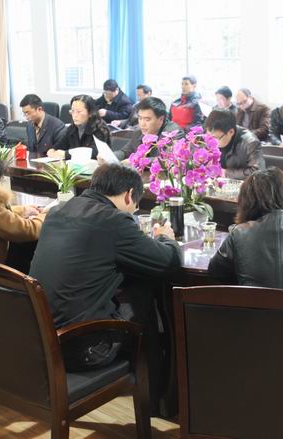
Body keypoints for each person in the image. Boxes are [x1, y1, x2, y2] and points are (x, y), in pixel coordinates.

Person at [29, 163, 181, 412]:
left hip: (41, 341)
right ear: (129, 195)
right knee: (143, 301)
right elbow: (168, 262)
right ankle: (156, 400)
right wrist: (166, 237)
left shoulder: (58, 211)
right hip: (82, 349)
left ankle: (155, 397)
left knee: (135, 291)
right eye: (135, 206)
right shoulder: (114, 220)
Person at [114, 97, 184, 161]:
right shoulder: (138, 132)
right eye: (140, 118)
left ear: (161, 119)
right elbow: (124, 152)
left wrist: (134, 161)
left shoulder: (173, 133)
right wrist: (110, 158)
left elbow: (166, 159)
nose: (142, 124)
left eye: (147, 120)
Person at [204, 109, 265, 180]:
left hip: (242, 184)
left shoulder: (250, 142)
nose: (211, 142)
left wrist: (225, 173)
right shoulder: (210, 138)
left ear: (231, 132)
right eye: (209, 138)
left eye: (215, 138)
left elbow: (258, 172)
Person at [47, 94, 111, 160]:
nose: (74, 115)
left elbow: (93, 153)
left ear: (90, 113)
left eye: (79, 112)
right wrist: (52, 150)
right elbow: (60, 145)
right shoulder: (72, 128)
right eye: (72, 111)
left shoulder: (100, 129)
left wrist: (66, 154)